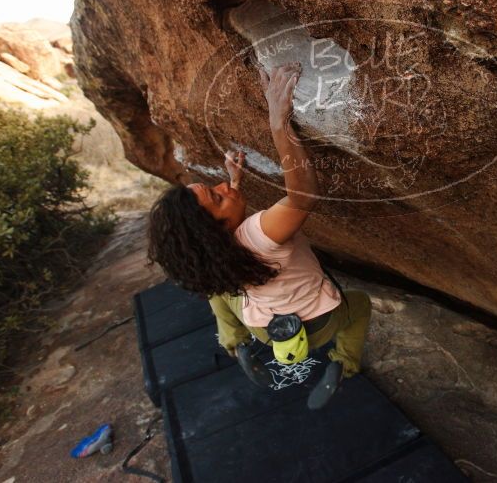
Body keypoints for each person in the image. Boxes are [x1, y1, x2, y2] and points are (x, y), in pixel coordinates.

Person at [147, 62, 372, 409]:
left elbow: (228, 221)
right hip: (320, 325)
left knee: (217, 294)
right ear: (214, 231)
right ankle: (344, 362)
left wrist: (234, 182)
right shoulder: (259, 233)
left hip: (266, 331)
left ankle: (236, 344)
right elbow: (303, 196)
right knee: (359, 304)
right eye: (218, 197)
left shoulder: (219, 254)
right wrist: (278, 122)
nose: (222, 187)